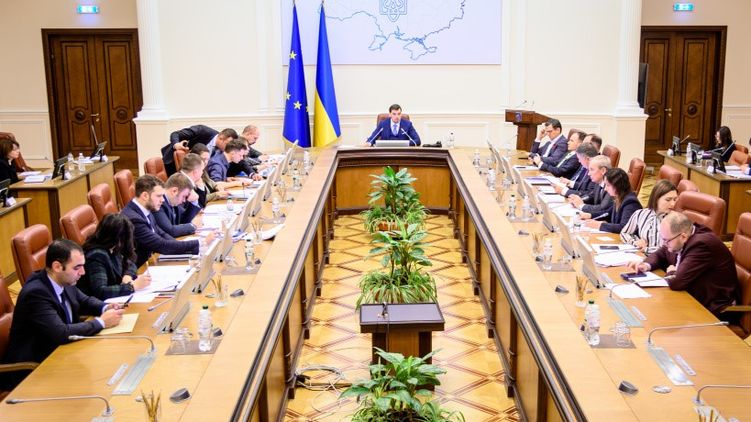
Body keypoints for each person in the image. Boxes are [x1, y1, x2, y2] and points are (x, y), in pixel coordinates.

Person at [0, 239, 124, 389]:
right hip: (34, 369)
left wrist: (106, 307)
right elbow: (61, 333)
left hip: (62, 353)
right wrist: (102, 322)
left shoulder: (63, 280)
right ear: (57, 266)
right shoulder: (36, 293)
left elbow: (84, 300)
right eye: (77, 267)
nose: (83, 272)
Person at [627, 212, 738, 317]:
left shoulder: (701, 245)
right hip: (691, 297)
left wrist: (671, 272)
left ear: (683, 237)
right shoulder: (681, 236)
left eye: (666, 240)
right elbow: (662, 252)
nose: (664, 243)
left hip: (713, 309)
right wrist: (646, 265)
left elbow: (677, 282)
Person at [121, 174, 213, 266]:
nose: (162, 200)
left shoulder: (144, 209)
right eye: (159, 196)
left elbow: (162, 234)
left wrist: (179, 245)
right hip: (138, 269)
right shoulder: (134, 219)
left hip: (150, 262)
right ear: (145, 196)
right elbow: (161, 245)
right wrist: (200, 242)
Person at [78, 214, 152, 300]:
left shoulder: (111, 246)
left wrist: (127, 275)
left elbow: (130, 262)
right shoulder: (96, 255)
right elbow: (101, 291)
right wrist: (132, 286)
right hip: (97, 305)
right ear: (118, 238)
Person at [620, 179, 678, 253]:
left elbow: (670, 250)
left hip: (660, 259)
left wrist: (646, 249)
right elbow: (624, 233)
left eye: (675, 199)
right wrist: (635, 242)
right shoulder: (640, 214)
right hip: (640, 256)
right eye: (668, 200)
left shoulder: (676, 220)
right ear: (656, 199)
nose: (673, 204)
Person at [582, 167, 642, 233]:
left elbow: (624, 227)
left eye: (607, 185)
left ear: (617, 185)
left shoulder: (630, 203)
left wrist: (599, 225)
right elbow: (607, 213)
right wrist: (589, 215)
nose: (605, 189)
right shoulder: (619, 197)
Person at [162, 125, 238, 175]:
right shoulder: (203, 131)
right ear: (221, 138)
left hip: (198, 173)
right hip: (172, 163)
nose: (229, 148)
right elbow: (175, 134)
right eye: (227, 144)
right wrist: (176, 144)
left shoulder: (222, 150)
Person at [153, 172, 202, 237]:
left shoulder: (173, 201)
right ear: (174, 191)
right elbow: (170, 231)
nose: (184, 200)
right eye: (184, 196)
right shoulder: (159, 204)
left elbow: (184, 221)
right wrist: (193, 226)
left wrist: (194, 202)